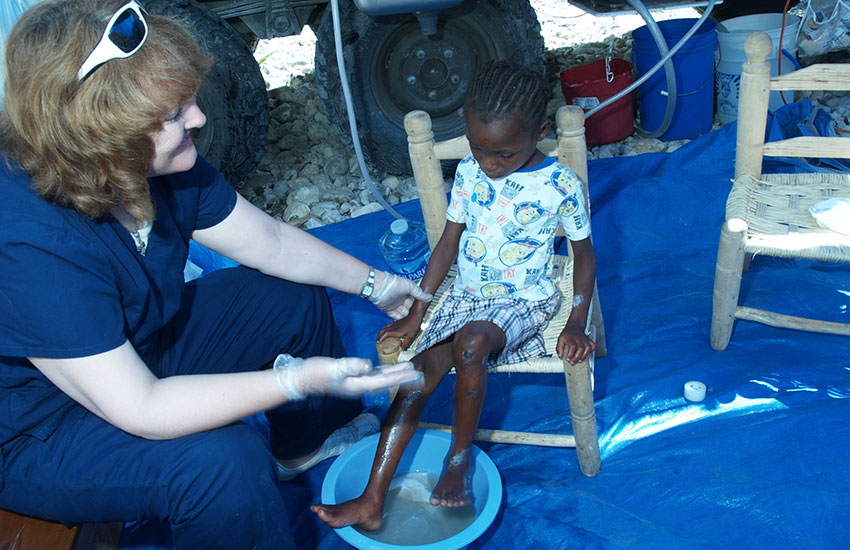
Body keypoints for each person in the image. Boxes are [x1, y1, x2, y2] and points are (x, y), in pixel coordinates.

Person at [0, 1, 431, 548]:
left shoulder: (151, 163)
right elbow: (141, 406)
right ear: (102, 136)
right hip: (45, 426)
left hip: (136, 344)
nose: (198, 119)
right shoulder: (29, 243)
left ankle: (303, 446)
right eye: (173, 115)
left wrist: (375, 283)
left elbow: (269, 242)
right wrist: (294, 380)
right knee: (222, 465)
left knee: (286, 295)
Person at [312, 59, 597, 530]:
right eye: (479, 148)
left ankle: (458, 460)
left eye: (503, 154)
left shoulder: (561, 185)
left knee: (470, 346)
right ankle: (371, 496)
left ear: (541, 130)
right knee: (412, 379)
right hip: (466, 297)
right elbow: (447, 243)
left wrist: (576, 320)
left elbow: (584, 256)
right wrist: (417, 313)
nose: (489, 163)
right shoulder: (469, 173)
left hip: (523, 300)